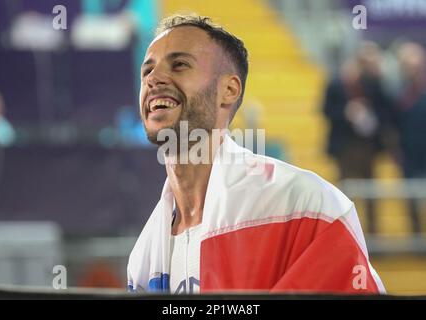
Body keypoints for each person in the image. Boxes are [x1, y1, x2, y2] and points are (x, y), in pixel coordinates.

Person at [127, 14, 385, 294]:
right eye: (147, 71)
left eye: (179, 65)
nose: (154, 79)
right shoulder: (143, 255)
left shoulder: (308, 208)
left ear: (228, 90)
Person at [322, 42, 393, 234]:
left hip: (367, 147)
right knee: (345, 193)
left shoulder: (373, 83)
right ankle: (346, 234)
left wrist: (369, 115)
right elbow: (326, 110)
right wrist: (347, 112)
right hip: (345, 147)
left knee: (371, 194)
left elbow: (387, 110)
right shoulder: (336, 83)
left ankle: (373, 235)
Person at [394, 42, 426, 234]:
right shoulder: (397, 93)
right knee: (412, 202)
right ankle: (416, 239)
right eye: (408, 66)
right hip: (409, 155)